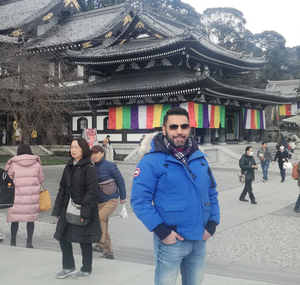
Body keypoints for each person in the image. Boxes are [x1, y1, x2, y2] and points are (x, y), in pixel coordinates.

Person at [131, 107, 220, 285]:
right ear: (164, 129)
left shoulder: (199, 159)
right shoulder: (151, 161)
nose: (179, 131)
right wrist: (163, 232)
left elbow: (211, 192)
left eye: (184, 126)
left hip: (199, 238)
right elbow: (139, 200)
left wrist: (212, 225)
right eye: (173, 127)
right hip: (171, 240)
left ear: (189, 128)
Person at [52, 138, 101, 279]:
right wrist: (57, 209)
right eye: (71, 147)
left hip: (83, 209)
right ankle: (68, 266)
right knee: (63, 237)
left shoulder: (89, 167)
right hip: (67, 209)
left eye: (76, 147)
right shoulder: (69, 166)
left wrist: (84, 212)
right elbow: (62, 189)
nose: (73, 150)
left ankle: (87, 268)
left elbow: (92, 191)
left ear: (83, 149)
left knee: (84, 239)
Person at [90, 144, 126, 260]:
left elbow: (120, 181)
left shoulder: (110, 166)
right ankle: (108, 251)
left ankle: (100, 242)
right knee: (103, 223)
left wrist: (123, 198)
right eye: (92, 153)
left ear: (102, 154)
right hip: (98, 201)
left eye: (96, 153)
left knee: (100, 218)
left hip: (111, 199)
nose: (94, 156)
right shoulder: (91, 166)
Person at [5, 144, 44, 248]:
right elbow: (41, 179)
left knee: (15, 218)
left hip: (17, 195)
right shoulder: (36, 163)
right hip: (31, 196)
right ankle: (29, 242)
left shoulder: (14, 163)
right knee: (30, 219)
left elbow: (8, 178)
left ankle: (13, 240)